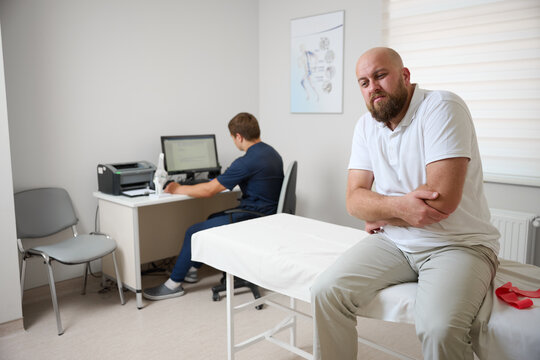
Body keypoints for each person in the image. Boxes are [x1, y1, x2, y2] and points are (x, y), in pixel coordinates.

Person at [311, 47, 500, 360]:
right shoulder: (366, 126)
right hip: (394, 243)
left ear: (405, 75)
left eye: (380, 75)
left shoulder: (442, 107)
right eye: (363, 82)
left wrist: (380, 211)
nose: (373, 87)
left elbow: (440, 204)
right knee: (326, 292)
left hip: (458, 245)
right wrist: (397, 210)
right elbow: (353, 201)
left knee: (438, 329)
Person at [143, 112, 284, 301]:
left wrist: (176, 188)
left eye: (233, 138)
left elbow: (209, 191)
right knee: (212, 217)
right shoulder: (271, 152)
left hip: (253, 217)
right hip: (267, 215)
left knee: (193, 232)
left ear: (239, 137)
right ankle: (192, 270)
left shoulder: (246, 161)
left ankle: (173, 285)